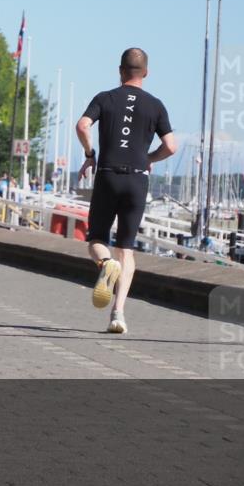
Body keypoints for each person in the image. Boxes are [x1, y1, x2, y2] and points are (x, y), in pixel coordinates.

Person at [76, 47, 176, 334]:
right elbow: (171, 146)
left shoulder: (105, 98)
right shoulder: (155, 105)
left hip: (107, 176)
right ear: (146, 72)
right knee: (127, 250)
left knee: (96, 238)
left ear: (120, 71)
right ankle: (118, 314)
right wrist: (148, 159)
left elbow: (82, 125)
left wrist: (90, 153)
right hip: (137, 180)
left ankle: (106, 264)